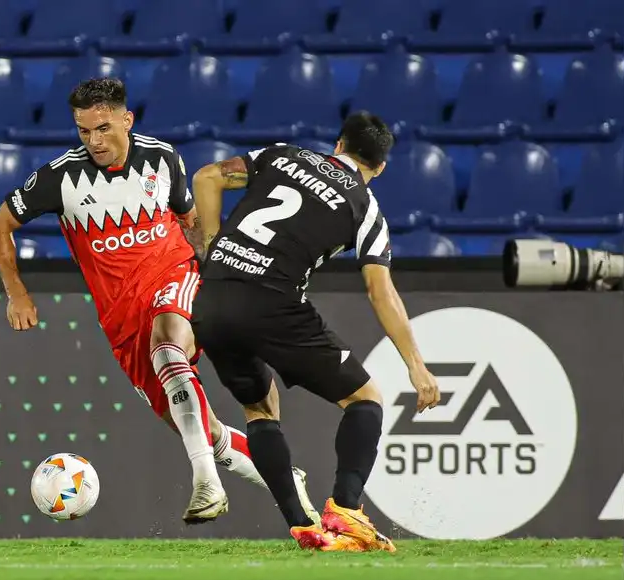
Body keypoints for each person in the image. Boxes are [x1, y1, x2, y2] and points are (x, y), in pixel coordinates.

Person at [0, 77, 319, 526]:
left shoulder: (162, 158)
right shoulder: (59, 178)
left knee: (168, 342)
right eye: (84, 131)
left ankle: (205, 481)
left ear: (127, 119)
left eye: (103, 128)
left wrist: (220, 273)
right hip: (122, 321)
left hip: (174, 279)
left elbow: (190, 220)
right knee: (199, 427)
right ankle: (284, 478)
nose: (94, 141)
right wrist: (16, 294)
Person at [189, 111, 441, 552]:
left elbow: (207, 176)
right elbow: (380, 291)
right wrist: (416, 366)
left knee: (261, 410)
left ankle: (301, 523)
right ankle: (345, 510)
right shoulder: (365, 207)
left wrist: (211, 247)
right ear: (379, 167)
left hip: (211, 300)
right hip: (273, 303)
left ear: (338, 144)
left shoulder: (280, 155)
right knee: (364, 400)